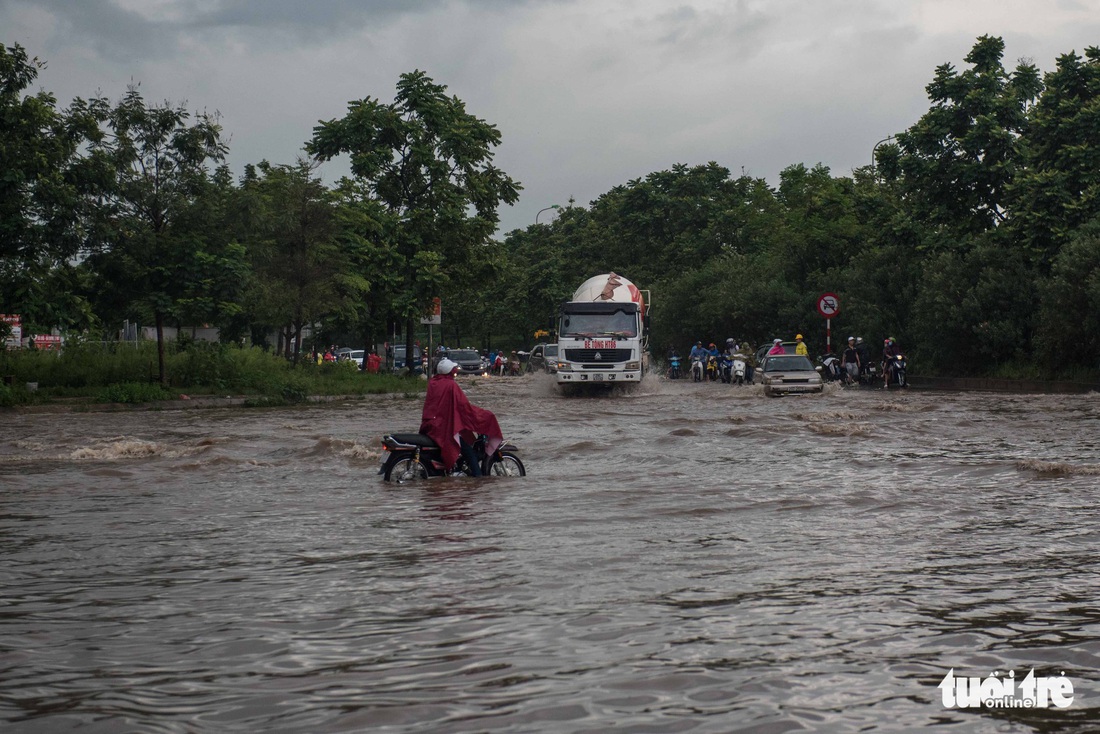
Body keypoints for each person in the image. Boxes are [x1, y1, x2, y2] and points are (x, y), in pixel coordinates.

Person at [420, 358, 503, 476]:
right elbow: (464, 407)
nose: (455, 372)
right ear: (450, 371)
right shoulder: (451, 385)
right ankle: (479, 482)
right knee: (469, 453)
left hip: (430, 426)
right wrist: (483, 415)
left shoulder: (433, 383)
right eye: (454, 370)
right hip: (443, 428)